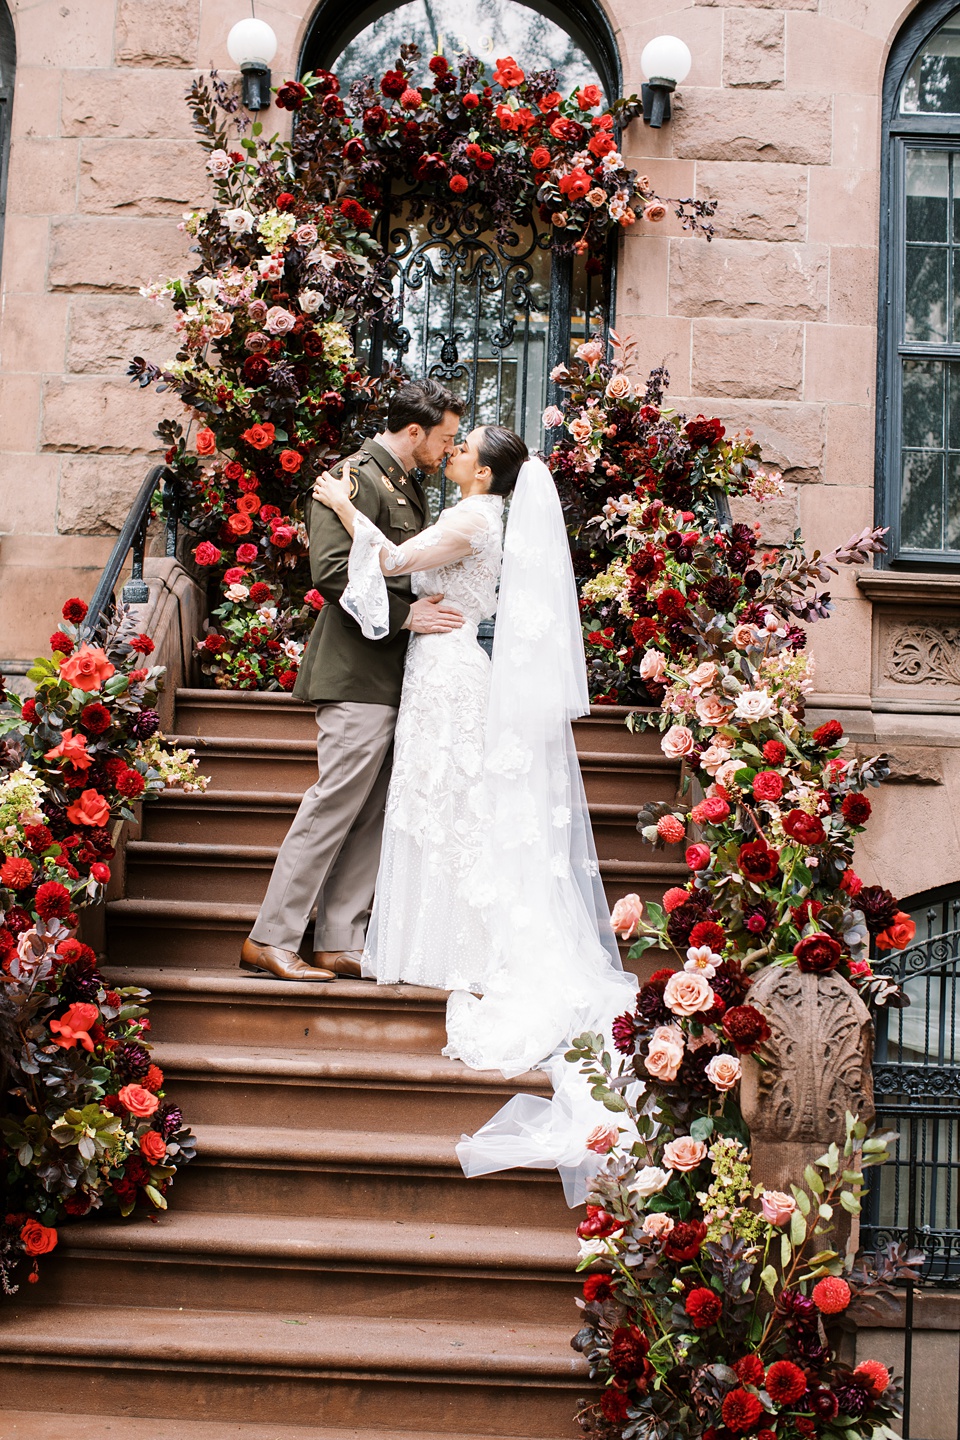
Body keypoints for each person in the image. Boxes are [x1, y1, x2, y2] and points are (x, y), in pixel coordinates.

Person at [313, 428, 638, 1202]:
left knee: (444, 805)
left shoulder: (474, 516)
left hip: (450, 673)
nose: (451, 453)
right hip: (444, 666)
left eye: (463, 449)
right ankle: (437, 935)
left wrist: (339, 505)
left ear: (484, 472)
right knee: (440, 806)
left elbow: (392, 561)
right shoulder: (483, 517)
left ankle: (456, 943)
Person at [239, 378, 465, 983]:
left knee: (373, 811)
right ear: (414, 431)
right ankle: (270, 937)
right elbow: (334, 573)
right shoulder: (352, 479)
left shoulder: (405, 480)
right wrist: (406, 615)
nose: (448, 450)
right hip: (355, 672)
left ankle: (338, 938)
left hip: (397, 674)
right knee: (334, 804)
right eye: (443, 438)